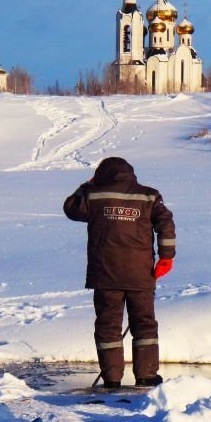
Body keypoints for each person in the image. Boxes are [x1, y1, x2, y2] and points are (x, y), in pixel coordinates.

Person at [63, 156, 176, 389]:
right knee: (144, 324)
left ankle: (112, 379)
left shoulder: (93, 195)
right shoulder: (149, 195)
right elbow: (166, 223)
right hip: (141, 274)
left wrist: (87, 184)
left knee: (108, 325)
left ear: (101, 175)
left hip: (105, 275)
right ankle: (146, 376)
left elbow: (71, 208)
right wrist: (166, 256)